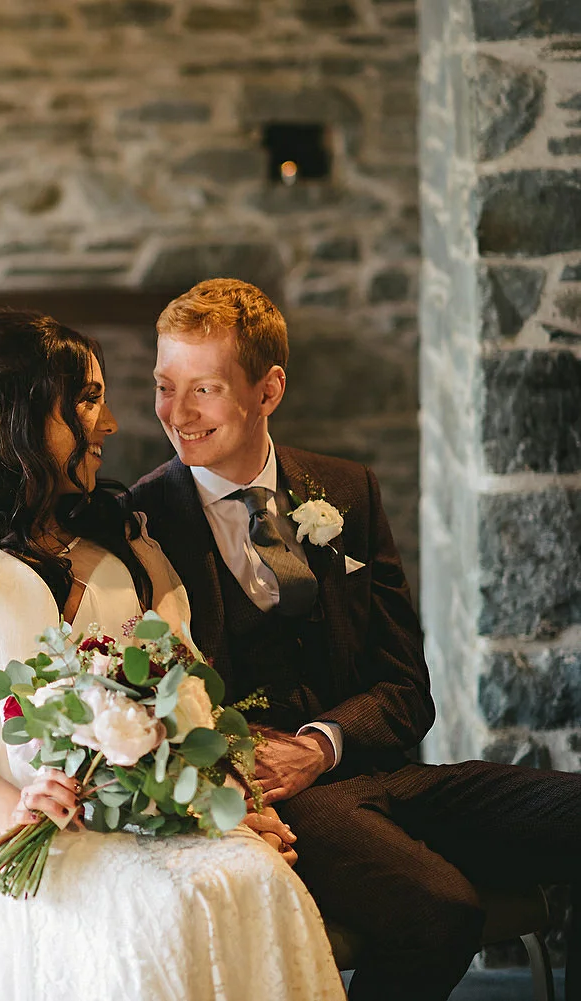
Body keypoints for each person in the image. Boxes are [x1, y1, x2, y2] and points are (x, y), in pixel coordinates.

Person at [0, 311, 343, 1000]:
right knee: (150, 919)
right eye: (87, 399)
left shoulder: (123, 532)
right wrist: (15, 807)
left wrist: (222, 799)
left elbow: (187, 684)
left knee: (257, 878)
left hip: (144, 806)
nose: (108, 424)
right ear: (18, 410)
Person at [131, 278, 581, 1001]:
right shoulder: (142, 522)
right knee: (443, 910)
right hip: (281, 808)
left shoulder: (346, 489)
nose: (175, 414)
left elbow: (408, 691)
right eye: (163, 385)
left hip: (388, 774)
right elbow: (158, 714)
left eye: (204, 389)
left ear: (267, 389)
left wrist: (322, 742)